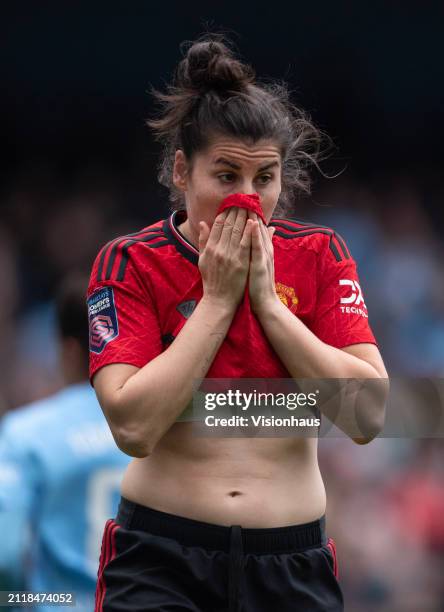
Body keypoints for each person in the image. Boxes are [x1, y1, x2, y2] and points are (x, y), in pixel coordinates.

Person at [88, 36, 388, 612]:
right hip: (160, 558)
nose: (247, 200)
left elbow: (369, 415)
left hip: (291, 564)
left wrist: (269, 306)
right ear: (182, 171)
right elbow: (134, 427)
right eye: (225, 176)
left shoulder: (321, 254)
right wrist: (220, 301)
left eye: (265, 178)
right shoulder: (130, 261)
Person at [0, 275, 130, 611]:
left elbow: (7, 555)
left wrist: (19, 603)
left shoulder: (27, 432)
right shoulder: (161, 430)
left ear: (68, 350)